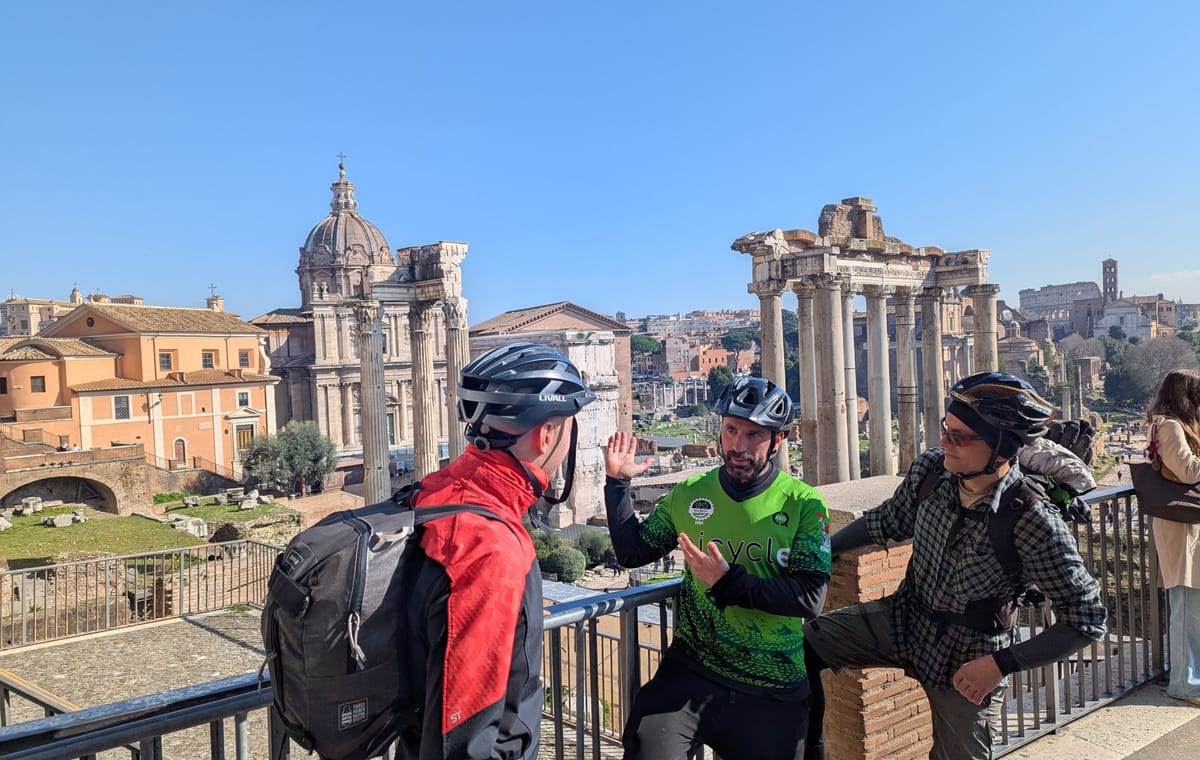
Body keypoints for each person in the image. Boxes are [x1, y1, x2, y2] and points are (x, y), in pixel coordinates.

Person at [802, 371, 1107, 760]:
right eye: (946, 428)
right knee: (801, 648)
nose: (944, 442)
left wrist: (1000, 664)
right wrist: (822, 552)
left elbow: (1086, 617)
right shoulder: (932, 472)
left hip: (971, 655)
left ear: (1001, 447)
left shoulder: (1030, 519)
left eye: (960, 436)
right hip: (903, 620)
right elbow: (887, 521)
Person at [605, 376, 831, 760]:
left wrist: (729, 583)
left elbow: (810, 598)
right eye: (731, 430)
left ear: (778, 440)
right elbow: (633, 552)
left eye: (754, 435)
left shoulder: (804, 504)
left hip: (770, 684)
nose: (739, 446)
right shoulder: (690, 493)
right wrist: (617, 485)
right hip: (692, 669)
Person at [398, 342, 596, 759]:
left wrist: (513, 615)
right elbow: (467, 739)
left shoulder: (432, 492)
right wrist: (496, 590)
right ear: (546, 434)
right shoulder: (491, 548)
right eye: (569, 425)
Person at [1144, 368, 1200, 706]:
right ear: (1186, 395)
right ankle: (1184, 684)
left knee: (1193, 604)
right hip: (1179, 526)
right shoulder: (1168, 426)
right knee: (1185, 603)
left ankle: (1191, 676)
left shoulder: (1178, 425)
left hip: (1188, 524)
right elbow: (1188, 470)